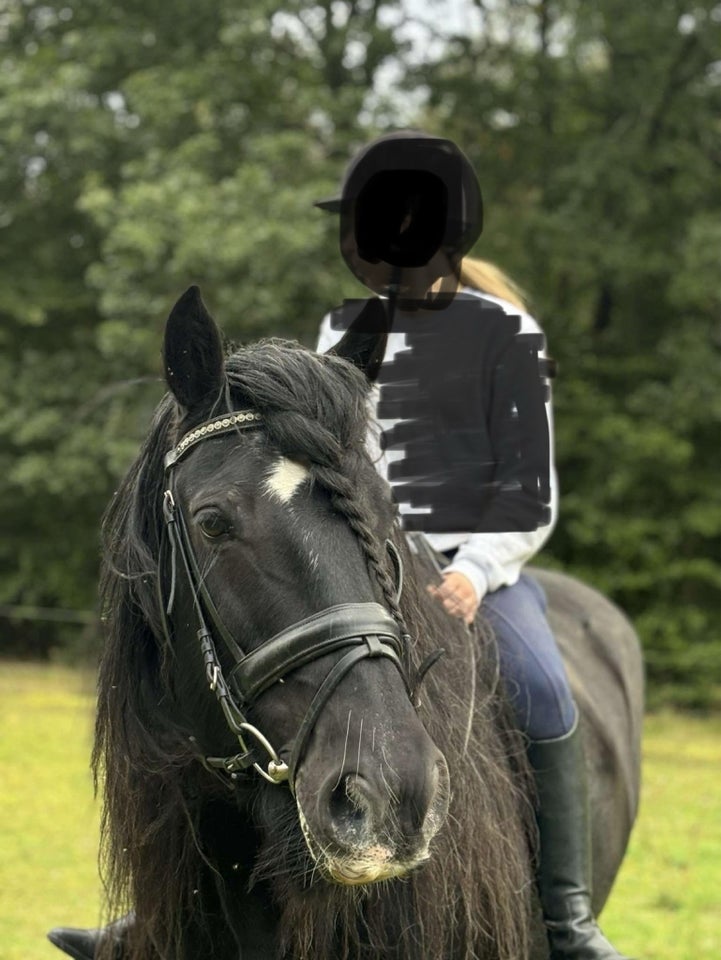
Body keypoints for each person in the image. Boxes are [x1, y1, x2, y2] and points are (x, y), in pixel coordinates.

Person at [48, 133, 630, 960]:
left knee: (541, 692)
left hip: (479, 569)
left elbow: (531, 493)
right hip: (368, 555)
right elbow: (327, 462)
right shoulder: (342, 330)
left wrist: (476, 571)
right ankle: (166, 908)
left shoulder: (502, 334)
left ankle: (567, 923)